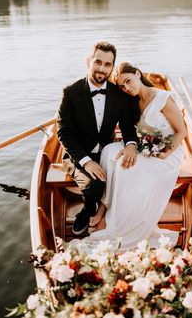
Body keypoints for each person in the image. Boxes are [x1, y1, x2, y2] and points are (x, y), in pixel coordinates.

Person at [86, 62, 186, 249]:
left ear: (138, 74)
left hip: (166, 154)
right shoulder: (131, 102)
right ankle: (103, 207)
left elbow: (181, 132)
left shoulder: (163, 98)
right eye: (122, 86)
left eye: (128, 81)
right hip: (145, 148)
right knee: (109, 152)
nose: (127, 88)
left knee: (126, 168)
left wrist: (165, 152)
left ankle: (116, 221)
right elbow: (130, 131)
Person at [57, 43, 138, 236]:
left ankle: (120, 215)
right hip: (78, 154)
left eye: (108, 64)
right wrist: (87, 162)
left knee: (131, 171)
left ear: (112, 67)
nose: (102, 68)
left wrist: (131, 145)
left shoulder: (120, 94)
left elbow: (127, 128)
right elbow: (64, 133)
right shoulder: (70, 93)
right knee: (95, 184)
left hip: (107, 150)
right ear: (88, 62)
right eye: (98, 62)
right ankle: (87, 210)